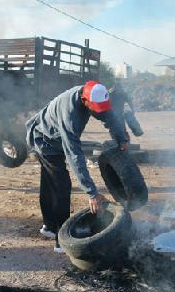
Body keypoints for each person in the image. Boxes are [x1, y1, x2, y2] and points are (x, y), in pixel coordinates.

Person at [26, 81, 129, 253]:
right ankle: (60, 238)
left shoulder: (93, 94)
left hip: (52, 136)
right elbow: (74, 155)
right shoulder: (70, 114)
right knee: (61, 185)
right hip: (44, 140)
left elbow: (108, 115)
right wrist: (92, 193)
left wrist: (121, 138)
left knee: (49, 181)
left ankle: (49, 227)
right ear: (85, 100)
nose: (98, 111)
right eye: (95, 107)